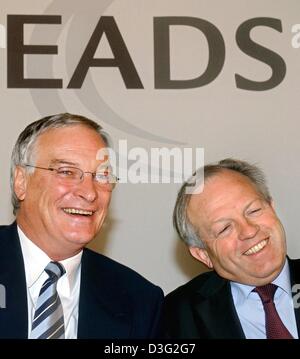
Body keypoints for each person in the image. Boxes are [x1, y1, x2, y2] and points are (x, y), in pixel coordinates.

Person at [0, 113, 163, 339]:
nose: (89, 192)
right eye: (67, 172)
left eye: (102, 176)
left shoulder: (139, 300)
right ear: (21, 181)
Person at [164, 158, 300, 339]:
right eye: (225, 228)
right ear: (203, 254)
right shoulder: (174, 318)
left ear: (272, 208)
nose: (249, 231)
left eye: (254, 211)